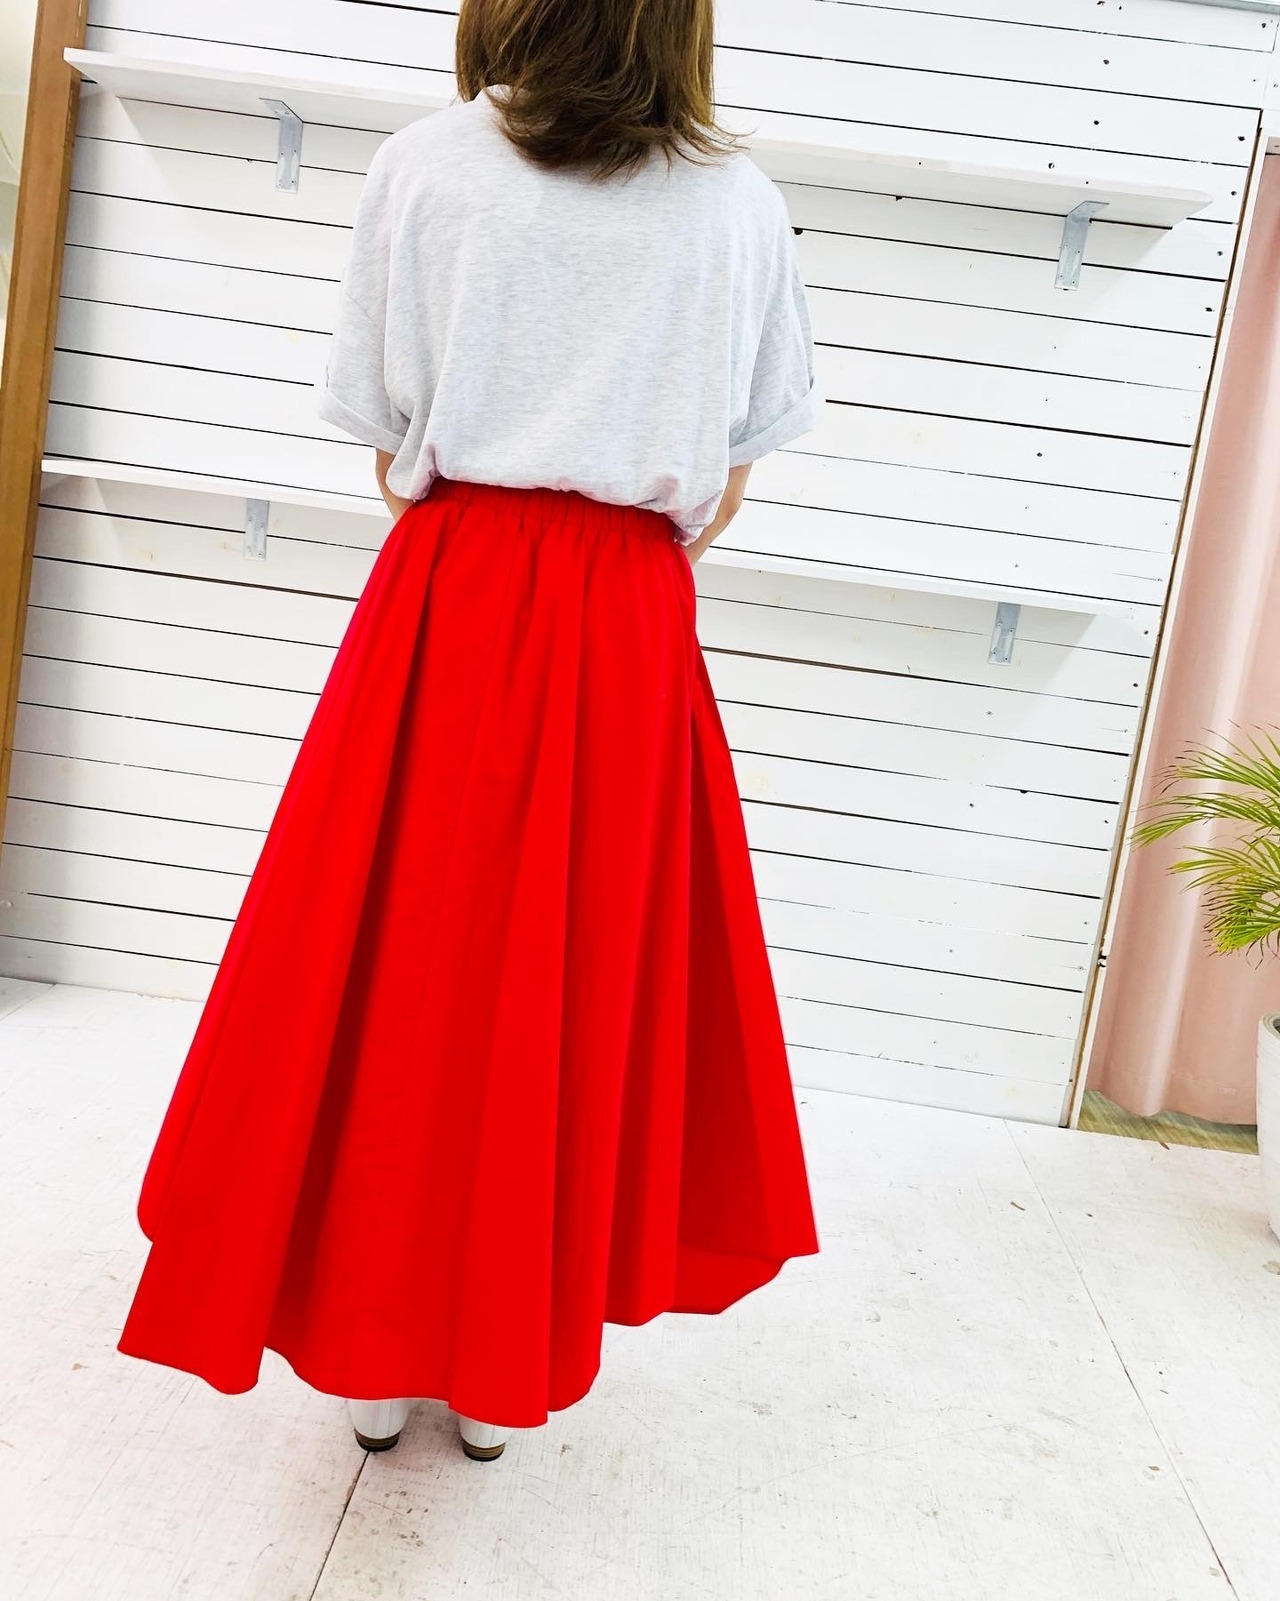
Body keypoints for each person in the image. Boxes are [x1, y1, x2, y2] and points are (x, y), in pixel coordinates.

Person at [116, 0, 823, 1465]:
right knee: (572, 974)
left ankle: (375, 1348)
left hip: (452, 593)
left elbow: (388, 445)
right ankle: (506, 1358)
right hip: (628, 615)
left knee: (403, 963)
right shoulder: (738, 203)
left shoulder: (428, 163)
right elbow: (734, 468)